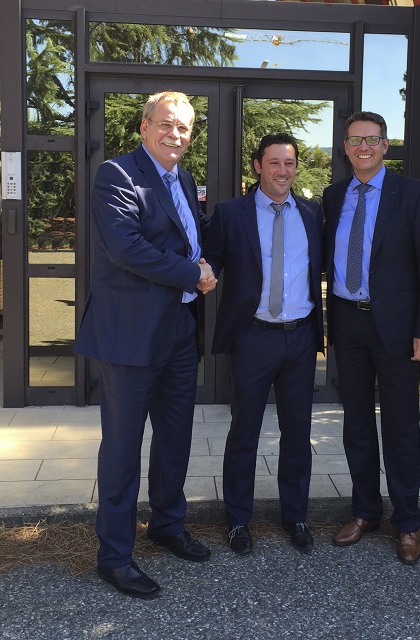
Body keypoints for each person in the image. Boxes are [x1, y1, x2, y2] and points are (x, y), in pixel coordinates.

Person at [75, 91, 217, 598]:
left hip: (178, 331)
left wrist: (206, 265)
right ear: (144, 126)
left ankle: (167, 524)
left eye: (184, 128)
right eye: (166, 124)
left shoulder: (184, 178)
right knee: (122, 448)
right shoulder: (117, 175)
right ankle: (114, 556)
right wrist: (192, 274)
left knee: (175, 437)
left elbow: (191, 242)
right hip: (130, 336)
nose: (175, 134)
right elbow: (125, 247)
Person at [323, 111, 420, 566]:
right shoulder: (333, 196)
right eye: (355, 140)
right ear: (346, 147)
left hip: (395, 328)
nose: (363, 147)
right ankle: (364, 511)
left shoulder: (413, 194)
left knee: (400, 426)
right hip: (349, 324)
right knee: (355, 423)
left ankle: (408, 521)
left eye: (371, 139)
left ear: (386, 145)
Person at [204, 133, 324, 555]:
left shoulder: (311, 213)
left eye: (289, 163)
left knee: (297, 434)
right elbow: (210, 257)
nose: (282, 171)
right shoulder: (231, 213)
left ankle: (296, 516)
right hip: (254, 338)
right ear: (258, 166)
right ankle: (238, 520)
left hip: (301, 338)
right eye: (274, 163)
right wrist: (199, 275)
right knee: (245, 433)